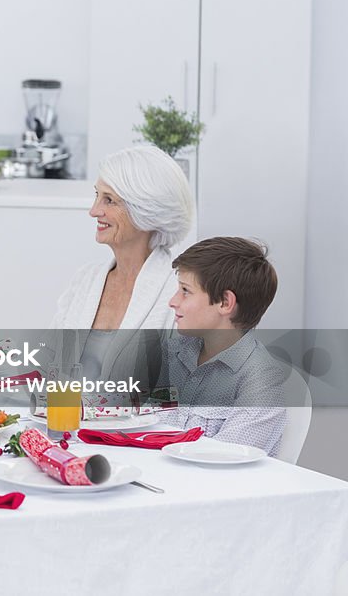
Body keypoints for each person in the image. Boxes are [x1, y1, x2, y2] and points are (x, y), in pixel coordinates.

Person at [49, 145, 195, 384]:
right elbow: (48, 365)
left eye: (109, 200)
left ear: (146, 210)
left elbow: (179, 387)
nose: (94, 211)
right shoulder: (86, 279)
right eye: (97, 196)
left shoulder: (180, 290)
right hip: (65, 419)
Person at [159, 237, 286, 455]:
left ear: (225, 303)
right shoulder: (170, 354)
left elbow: (223, 465)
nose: (173, 301)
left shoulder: (262, 383)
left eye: (185, 291)